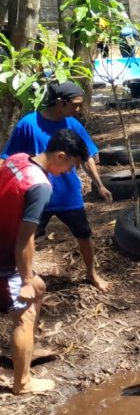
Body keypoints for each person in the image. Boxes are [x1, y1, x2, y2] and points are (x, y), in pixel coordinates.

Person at [1, 128, 87, 395]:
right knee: (24, 314)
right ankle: (22, 383)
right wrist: (24, 279)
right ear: (60, 155)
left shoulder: (17, 158)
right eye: (71, 165)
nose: (69, 171)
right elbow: (25, 239)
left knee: (40, 288)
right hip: (4, 258)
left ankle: (27, 348)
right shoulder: (40, 186)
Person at [2, 82, 111, 291]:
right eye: (76, 104)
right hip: (36, 195)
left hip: (68, 194)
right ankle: (22, 279)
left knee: (84, 234)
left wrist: (99, 185)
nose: (78, 109)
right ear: (60, 102)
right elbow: (8, 157)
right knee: (27, 237)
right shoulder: (28, 124)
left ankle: (92, 273)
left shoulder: (73, 125)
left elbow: (86, 157)